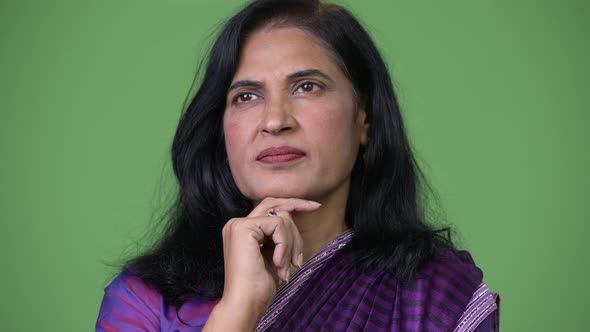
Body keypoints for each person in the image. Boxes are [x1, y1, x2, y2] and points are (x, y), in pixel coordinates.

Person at [96, 0, 499, 331]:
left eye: (307, 87)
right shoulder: (144, 302)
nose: (275, 120)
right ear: (221, 129)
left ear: (365, 120)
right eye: (246, 96)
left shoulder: (435, 295)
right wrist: (238, 312)